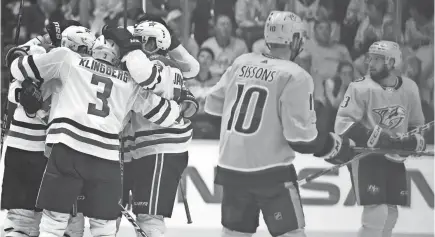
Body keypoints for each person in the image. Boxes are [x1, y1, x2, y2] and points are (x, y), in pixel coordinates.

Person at [8, 25, 186, 237]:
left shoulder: (68, 59)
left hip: (67, 151)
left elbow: (18, 68)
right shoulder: (129, 81)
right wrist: (182, 103)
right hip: (106, 160)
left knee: (54, 222)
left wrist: (29, 50)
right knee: (104, 228)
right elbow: (165, 115)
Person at [204, 11, 355, 237]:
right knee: (291, 233)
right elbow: (301, 139)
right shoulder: (295, 75)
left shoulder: (241, 62)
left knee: (234, 233)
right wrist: (334, 146)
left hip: (231, 169)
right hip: (270, 174)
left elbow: (213, 106)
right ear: (294, 40)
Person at [1, 21, 90, 237]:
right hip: (46, 150)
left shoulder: (43, 54)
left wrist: (21, 93)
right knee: (60, 223)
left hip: (49, 150)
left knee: (46, 223)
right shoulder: (49, 55)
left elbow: (14, 64)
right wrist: (21, 93)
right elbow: (13, 66)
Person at [334, 40, 426, 237]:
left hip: (394, 158)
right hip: (367, 157)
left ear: (392, 63)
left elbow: (418, 125)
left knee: (391, 214)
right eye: (370, 58)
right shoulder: (359, 87)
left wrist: (412, 142)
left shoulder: (409, 88)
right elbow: (343, 124)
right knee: (377, 213)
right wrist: (379, 138)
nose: (370, 63)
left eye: (377, 59)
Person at [122, 20, 198, 237]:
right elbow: (189, 103)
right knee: (145, 216)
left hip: (159, 147)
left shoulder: (155, 65)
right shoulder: (171, 65)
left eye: (148, 41)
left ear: (161, 42)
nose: (143, 46)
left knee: (149, 218)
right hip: (152, 147)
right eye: (140, 41)